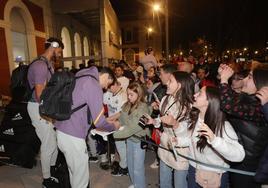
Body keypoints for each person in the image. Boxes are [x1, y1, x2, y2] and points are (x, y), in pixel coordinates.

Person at [218, 64, 268, 188]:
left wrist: (224, 80)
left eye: (249, 77)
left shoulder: (260, 106)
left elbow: (228, 105)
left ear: (261, 83)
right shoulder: (250, 99)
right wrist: (222, 75)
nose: (244, 80)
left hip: (248, 164)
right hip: (239, 158)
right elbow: (230, 101)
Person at [187, 86, 245, 188]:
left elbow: (239, 155)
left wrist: (214, 140)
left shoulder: (223, 126)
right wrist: (177, 140)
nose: (194, 95)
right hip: (194, 169)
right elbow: (190, 141)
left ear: (209, 101)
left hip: (214, 175)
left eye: (199, 93)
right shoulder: (195, 118)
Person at [146, 71, 195, 188]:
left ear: (180, 85)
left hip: (181, 149)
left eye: (170, 81)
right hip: (164, 145)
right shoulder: (165, 99)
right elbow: (162, 119)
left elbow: (189, 132)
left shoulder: (189, 106)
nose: (166, 83)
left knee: (180, 184)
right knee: (164, 182)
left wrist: (175, 124)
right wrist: (154, 122)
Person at [27, 37, 64, 188]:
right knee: (48, 143)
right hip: (39, 108)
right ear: (54, 47)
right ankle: (46, 179)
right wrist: (49, 115)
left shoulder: (48, 64)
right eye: (60, 51)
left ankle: (52, 170)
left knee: (53, 142)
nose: (60, 55)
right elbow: (39, 95)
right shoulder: (40, 66)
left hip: (46, 107)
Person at [113, 82, 150, 188]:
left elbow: (135, 127)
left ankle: (140, 186)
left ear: (139, 94)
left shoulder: (143, 108)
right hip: (129, 139)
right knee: (130, 163)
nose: (129, 97)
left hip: (139, 140)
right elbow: (121, 120)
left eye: (131, 95)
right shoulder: (127, 105)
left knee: (137, 167)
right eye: (128, 94)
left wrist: (113, 135)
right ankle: (135, 183)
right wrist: (112, 126)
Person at [103, 80, 128, 176]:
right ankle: (124, 165)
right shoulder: (108, 93)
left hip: (121, 123)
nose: (109, 88)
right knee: (118, 146)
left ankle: (124, 167)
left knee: (121, 146)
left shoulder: (123, 95)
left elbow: (121, 113)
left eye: (111, 86)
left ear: (118, 84)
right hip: (112, 123)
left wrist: (108, 119)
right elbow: (104, 103)